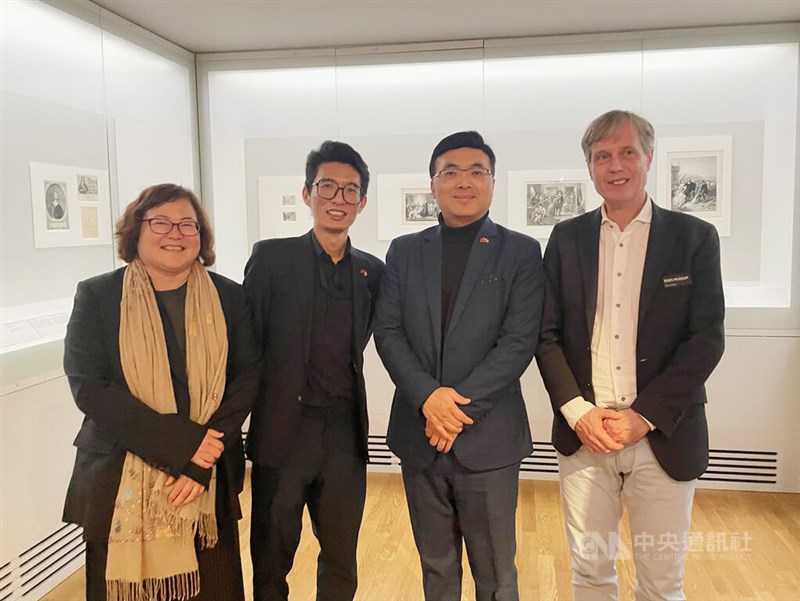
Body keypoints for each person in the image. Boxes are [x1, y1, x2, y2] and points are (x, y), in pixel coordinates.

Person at [536, 110, 725, 601]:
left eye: (626, 152)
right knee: (590, 575)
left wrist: (644, 416)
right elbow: (546, 335)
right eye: (602, 156)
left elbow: (706, 339)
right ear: (590, 167)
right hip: (586, 435)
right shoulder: (566, 239)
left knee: (661, 583)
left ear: (649, 158)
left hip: (663, 435)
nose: (614, 165)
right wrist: (578, 413)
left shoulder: (693, 239)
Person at [62, 184, 260, 601]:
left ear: (202, 237)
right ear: (135, 231)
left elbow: (247, 377)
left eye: (188, 224)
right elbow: (89, 386)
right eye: (160, 222)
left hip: (207, 477)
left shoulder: (229, 296)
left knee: (215, 588)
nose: (176, 232)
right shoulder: (98, 295)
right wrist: (187, 446)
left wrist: (202, 459)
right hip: (120, 475)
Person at [374, 131, 544, 601]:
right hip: (419, 434)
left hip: (487, 438)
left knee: (495, 574)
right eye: (450, 171)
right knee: (436, 569)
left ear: (493, 182)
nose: (463, 181)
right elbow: (388, 333)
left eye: (476, 171)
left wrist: (454, 410)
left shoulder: (521, 252)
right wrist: (429, 398)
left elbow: (518, 342)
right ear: (433, 184)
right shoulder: (405, 251)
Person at [244, 141, 384, 601]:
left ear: (362, 203)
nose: (339, 199)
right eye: (328, 186)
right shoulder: (271, 259)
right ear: (307, 194)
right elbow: (250, 345)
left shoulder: (372, 272)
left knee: (342, 557)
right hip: (284, 432)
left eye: (350, 191)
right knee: (271, 554)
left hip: (344, 433)